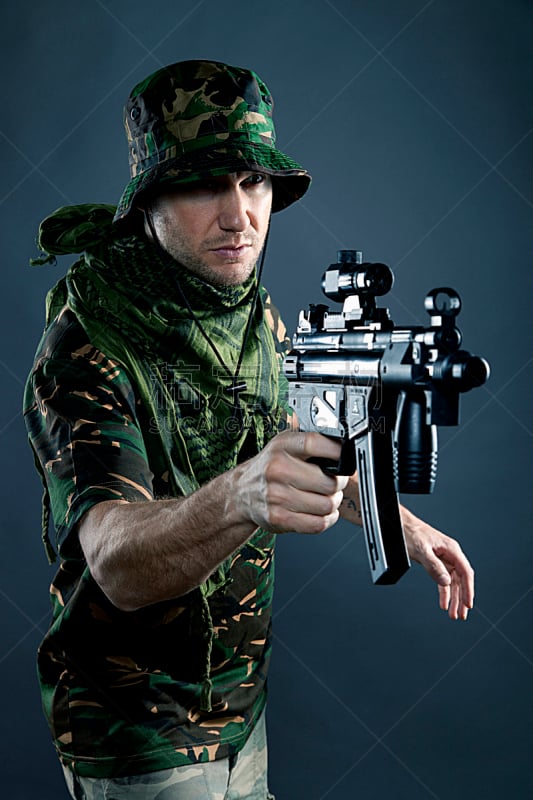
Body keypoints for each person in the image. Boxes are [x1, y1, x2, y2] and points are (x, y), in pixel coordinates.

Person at [24, 60, 474, 800]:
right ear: (148, 203)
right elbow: (113, 563)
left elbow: (288, 444)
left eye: (253, 181)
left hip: (241, 710)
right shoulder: (88, 344)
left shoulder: (249, 313)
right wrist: (240, 495)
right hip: (138, 731)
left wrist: (395, 519)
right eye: (204, 185)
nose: (239, 216)